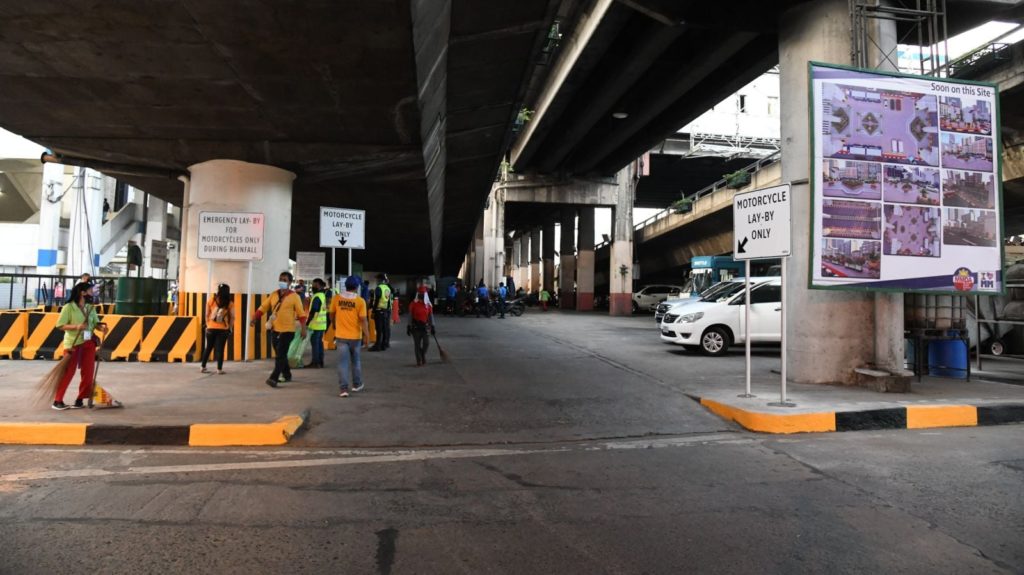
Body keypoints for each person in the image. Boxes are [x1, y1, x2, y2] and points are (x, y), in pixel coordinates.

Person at [52, 282, 108, 410]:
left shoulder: (90, 308)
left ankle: (80, 399)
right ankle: (57, 401)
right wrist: (77, 326)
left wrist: (102, 328)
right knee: (68, 373)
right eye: (90, 291)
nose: (92, 293)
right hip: (73, 344)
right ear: (82, 293)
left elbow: (95, 323)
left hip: (89, 343)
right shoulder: (68, 308)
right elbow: (60, 325)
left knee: (88, 373)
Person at [251, 271, 307, 388]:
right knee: (280, 354)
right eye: (280, 279)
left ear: (290, 282)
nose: (282, 281)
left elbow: (301, 314)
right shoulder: (274, 294)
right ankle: (287, 374)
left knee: (280, 354)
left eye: (285, 280)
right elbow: (263, 307)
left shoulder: (295, 297)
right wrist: (255, 318)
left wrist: (303, 329)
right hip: (275, 329)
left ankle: (274, 377)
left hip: (288, 331)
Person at [331, 275, 370, 397]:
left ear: (346, 285)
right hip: (355, 337)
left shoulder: (336, 299)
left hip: (341, 336)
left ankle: (343, 389)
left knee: (343, 362)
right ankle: (356, 384)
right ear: (357, 287)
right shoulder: (360, 301)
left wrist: (333, 325)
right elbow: (363, 320)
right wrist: (367, 335)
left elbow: (331, 314)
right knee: (356, 361)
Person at [200, 283, 233, 374]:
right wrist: (230, 327)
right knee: (220, 349)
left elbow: (206, 314)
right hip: (223, 329)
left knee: (208, 348)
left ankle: (203, 367)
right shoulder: (229, 303)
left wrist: (208, 324)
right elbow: (233, 317)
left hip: (210, 328)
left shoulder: (211, 300)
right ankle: (219, 369)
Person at [407, 290, 435, 366]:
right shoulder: (413, 304)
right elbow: (410, 316)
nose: (420, 296)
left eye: (422, 295)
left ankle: (422, 354)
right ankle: (419, 361)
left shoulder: (428, 305)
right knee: (417, 345)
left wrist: (432, 326)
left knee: (426, 343)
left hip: (425, 327)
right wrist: (409, 326)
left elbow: (430, 316)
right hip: (416, 327)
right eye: (419, 294)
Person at [305, 278, 328, 368]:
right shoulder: (322, 295)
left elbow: (314, 310)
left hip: (316, 324)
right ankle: (320, 362)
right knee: (319, 343)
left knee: (315, 344)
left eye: (314, 285)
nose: (312, 287)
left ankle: (315, 362)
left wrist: (307, 322)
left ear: (318, 285)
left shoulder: (317, 296)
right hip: (322, 325)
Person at [369, 273, 392, 351]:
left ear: (380, 280)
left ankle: (377, 345)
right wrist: (388, 310)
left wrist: (373, 311)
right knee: (384, 328)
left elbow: (377, 300)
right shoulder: (387, 288)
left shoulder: (378, 288)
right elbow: (388, 301)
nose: (376, 281)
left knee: (378, 329)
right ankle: (384, 345)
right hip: (385, 311)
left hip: (379, 311)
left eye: (377, 279)